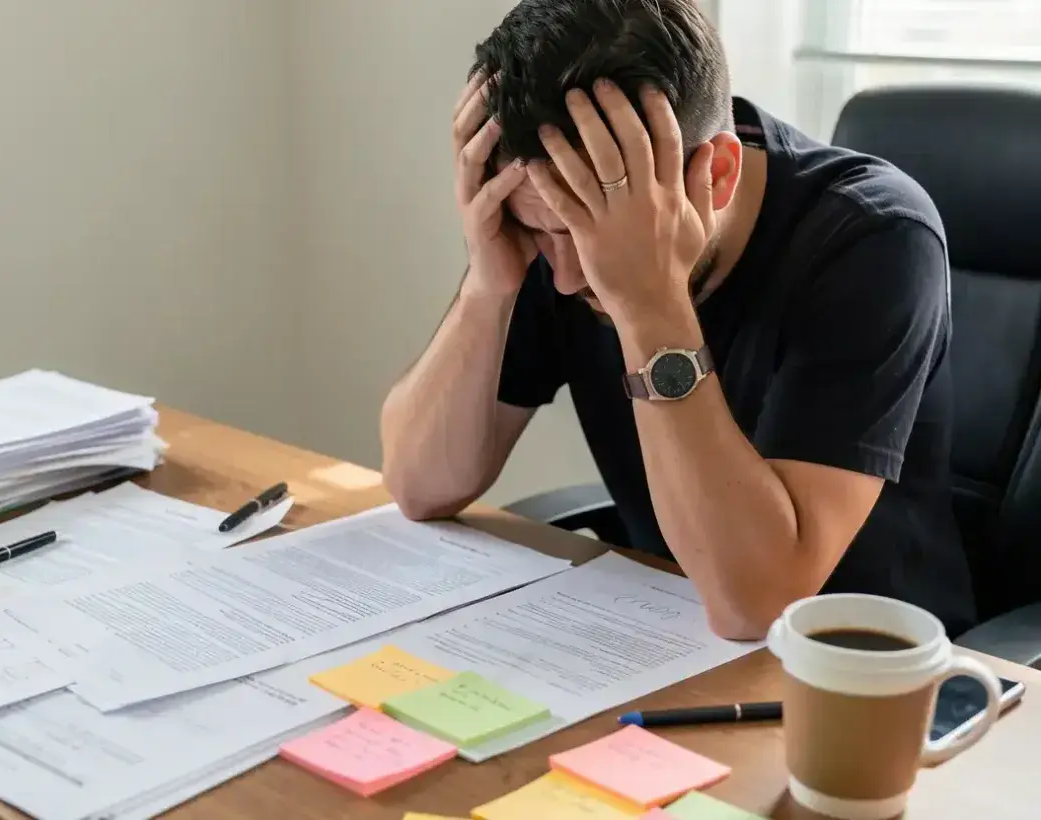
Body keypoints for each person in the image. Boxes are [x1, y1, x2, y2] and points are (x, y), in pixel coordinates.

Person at [379, 0, 976, 639]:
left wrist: (648, 304)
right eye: (534, 228)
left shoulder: (875, 237)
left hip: (864, 678)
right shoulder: (554, 240)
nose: (567, 277)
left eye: (582, 235)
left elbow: (755, 606)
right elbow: (419, 487)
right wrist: (487, 286)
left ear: (714, 173)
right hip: (661, 636)